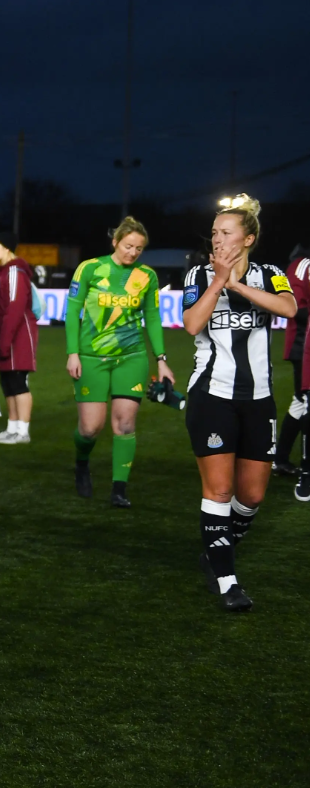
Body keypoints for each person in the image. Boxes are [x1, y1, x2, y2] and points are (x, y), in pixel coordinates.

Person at [183, 195, 295, 612]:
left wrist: (237, 284)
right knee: (221, 488)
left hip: (259, 400)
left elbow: (290, 307)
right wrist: (218, 281)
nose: (217, 239)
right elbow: (192, 322)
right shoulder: (197, 273)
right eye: (213, 233)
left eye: (225, 233)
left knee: (251, 496)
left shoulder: (270, 274)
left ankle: (219, 545)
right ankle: (227, 580)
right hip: (212, 395)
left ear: (248, 238)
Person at [64, 217, 173, 507]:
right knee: (90, 428)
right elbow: (72, 311)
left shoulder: (147, 276)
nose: (133, 252)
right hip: (91, 357)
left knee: (124, 424)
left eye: (139, 248)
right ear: (115, 242)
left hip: (131, 357)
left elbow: (152, 317)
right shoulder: (89, 268)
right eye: (128, 246)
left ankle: (119, 489)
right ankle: (82, 463)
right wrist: (72, 353)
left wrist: (161, 360)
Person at [0, 233, 39, 445]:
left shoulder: (15, 271)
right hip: (6, 337)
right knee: (7, 382)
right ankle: (12, 428)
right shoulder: (3, 273)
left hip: (18, 337)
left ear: (6, 248)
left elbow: (15, 308)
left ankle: (23, 432)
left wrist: (5, 341)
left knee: (18, 383)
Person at [274, 243, 310, 477]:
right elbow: (293, 305)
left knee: (300, 402)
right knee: (305, 401)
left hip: (303, 343)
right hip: (303, 344)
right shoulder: (301, 265)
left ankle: (280, 459)